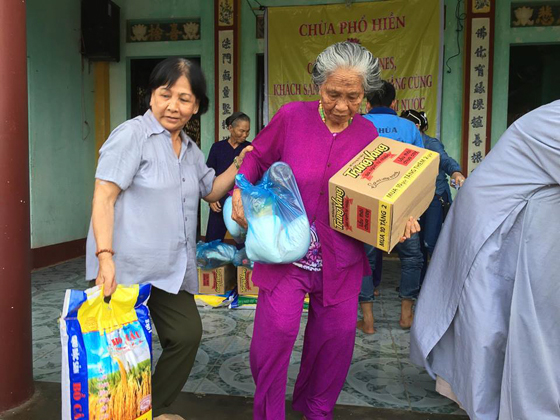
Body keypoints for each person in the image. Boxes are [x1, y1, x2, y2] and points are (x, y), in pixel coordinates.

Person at [230, 41, 420, 420]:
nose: (342, 106)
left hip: (341, 257)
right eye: (333, 93)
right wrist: (240, 187)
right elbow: (257, 158)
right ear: (319, 85)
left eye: (353, 96)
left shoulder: (369, 135)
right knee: (274, 338)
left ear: (365, 94)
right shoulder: (292, 117)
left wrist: (401, 219)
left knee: (333, 344)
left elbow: (380, 194)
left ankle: (316, 411)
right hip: (287, 252)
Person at [85, 57, 252, 420]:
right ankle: (124, 412)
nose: (173, 106)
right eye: (165, 95)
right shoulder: (131, 135)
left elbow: (211, 191)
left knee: (186, 334)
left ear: (197, 106)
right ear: (151, 96)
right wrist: (104, 257)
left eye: (185, 98)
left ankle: (153, 406)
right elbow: (103, 196)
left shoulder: (189, 150)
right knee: (122, 353)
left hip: (169, 269)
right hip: (125, 267)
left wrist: (240, 163)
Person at [410, 100, 560, 420]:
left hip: (515, 223)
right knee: (485, 325)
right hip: (493, 225)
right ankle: (481, 401)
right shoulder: (554, 121)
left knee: (493, 322)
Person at [360, 80, 424, 329]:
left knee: (365, 260)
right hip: (402, 203)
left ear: (367, 103)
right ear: (394, 103)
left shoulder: (358, 125)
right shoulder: (408, 128)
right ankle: (406, 314)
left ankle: (368, 319)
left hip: (367, 202)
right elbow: (421, 168)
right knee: (411, 258)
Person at [400, 109, 465, 276]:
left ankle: (440, 281)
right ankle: (420, 283)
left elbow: (445, 160)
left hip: (435, 198)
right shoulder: (403, 144)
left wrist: (456, 172)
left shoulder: (430, 143)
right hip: (414, 199)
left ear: (416, 126)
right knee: (417, 243)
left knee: (431, 242)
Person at [205, 112, 251, 242]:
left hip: (241, 201)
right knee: (212, 241)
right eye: (241, 131)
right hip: (218, 201)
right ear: (230, 128)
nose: (245, 135)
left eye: (247, 131)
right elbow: (209, 174)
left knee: (244, 242)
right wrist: (211, 198)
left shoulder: (249, 149)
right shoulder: (217, 147)